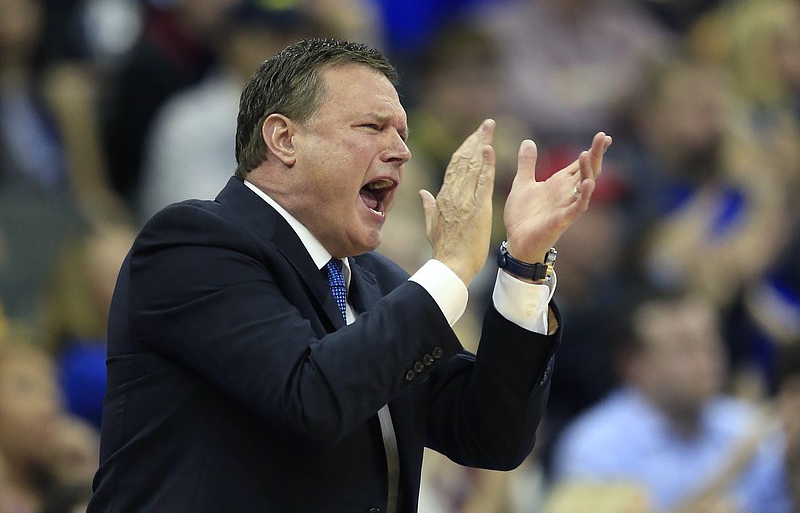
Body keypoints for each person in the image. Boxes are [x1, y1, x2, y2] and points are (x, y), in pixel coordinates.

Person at [87, 38, 612, 511]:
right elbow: (311, 397)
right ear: (283, 140)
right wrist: (451, 267)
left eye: (403, 134)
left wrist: (522, 265)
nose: (402, 152)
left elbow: (491, 436)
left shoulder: (377, 281)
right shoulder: (192, 244)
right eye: (372, 127)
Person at [550, 288, 795, 513]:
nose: (707, 360)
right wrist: (731, 469)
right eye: (685, 348)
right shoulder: (596, 447)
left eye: (710, 342)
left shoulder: (747, 423)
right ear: (633, 366)